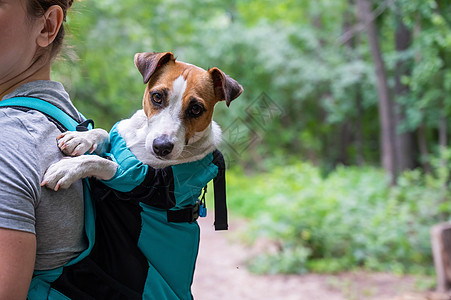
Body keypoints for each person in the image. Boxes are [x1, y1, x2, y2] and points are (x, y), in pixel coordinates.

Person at [0, 1, 219, 299]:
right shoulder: (69, 118)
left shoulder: (10, 141)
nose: (167, 131)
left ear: (49, 25)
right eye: (158, 99)